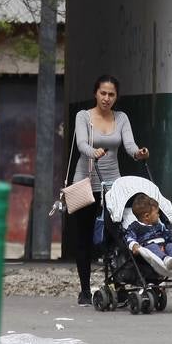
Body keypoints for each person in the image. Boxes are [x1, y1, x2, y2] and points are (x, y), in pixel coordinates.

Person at [71, 74, 150, 305]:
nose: (106, 98)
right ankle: (85, 290)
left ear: (116, 97)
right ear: (95, 93)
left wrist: (138, 153)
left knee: (117, 233)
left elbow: (129, 145)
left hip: (112, 184)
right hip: (85, 181)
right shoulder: (83, 116)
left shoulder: (122, 118)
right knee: (83, 236)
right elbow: (82, 143)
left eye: (111, 94)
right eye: (103, 93)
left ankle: (118, 282)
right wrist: (92, 152)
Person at [126, 193, 172, 273]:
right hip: (149, 251)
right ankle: (166, 260)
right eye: (157, 213)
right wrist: (134, 245)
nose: (158, 215)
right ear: (147, 216)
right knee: (153, 247)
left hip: (164, 246)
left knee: (171, 245)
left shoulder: (159, 225)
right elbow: (130, 237)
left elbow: (168, 235)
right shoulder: (135, 227)